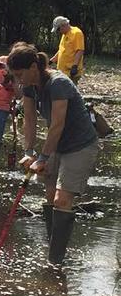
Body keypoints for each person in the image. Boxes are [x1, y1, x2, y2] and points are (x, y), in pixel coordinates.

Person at [9, 43, 99, 265]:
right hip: (57, 146)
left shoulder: (58, 83)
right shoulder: (29, 86)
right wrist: (29, 152)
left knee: (61, 199)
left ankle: (55, 261)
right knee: (49, 198)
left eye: (20, 74)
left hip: (80, 145)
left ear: (33, 67)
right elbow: (29, 120)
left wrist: (42, 158)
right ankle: (54, 252)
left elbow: (57, 125)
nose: (18, 80)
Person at [49, 16, 85, 84]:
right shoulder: (65, 34)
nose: (59, 32)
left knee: (68, 93)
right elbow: (62, 50)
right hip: (62, 71)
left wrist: (74, 66)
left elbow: (80, 50)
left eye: (59, 29)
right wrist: (51, 61)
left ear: (63, 25)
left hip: (71, 72)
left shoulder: (76, 33)